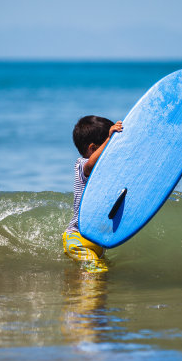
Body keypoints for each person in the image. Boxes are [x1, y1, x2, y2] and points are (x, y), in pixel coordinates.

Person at [64, 115, 123, 272]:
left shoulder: (106, 173)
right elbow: (90, 166)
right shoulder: (82, 165)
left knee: (98, 278)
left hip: (96, 240)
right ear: (92, 149)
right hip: (77, 238)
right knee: (96, 273)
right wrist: (108, 139)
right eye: (109, 147)